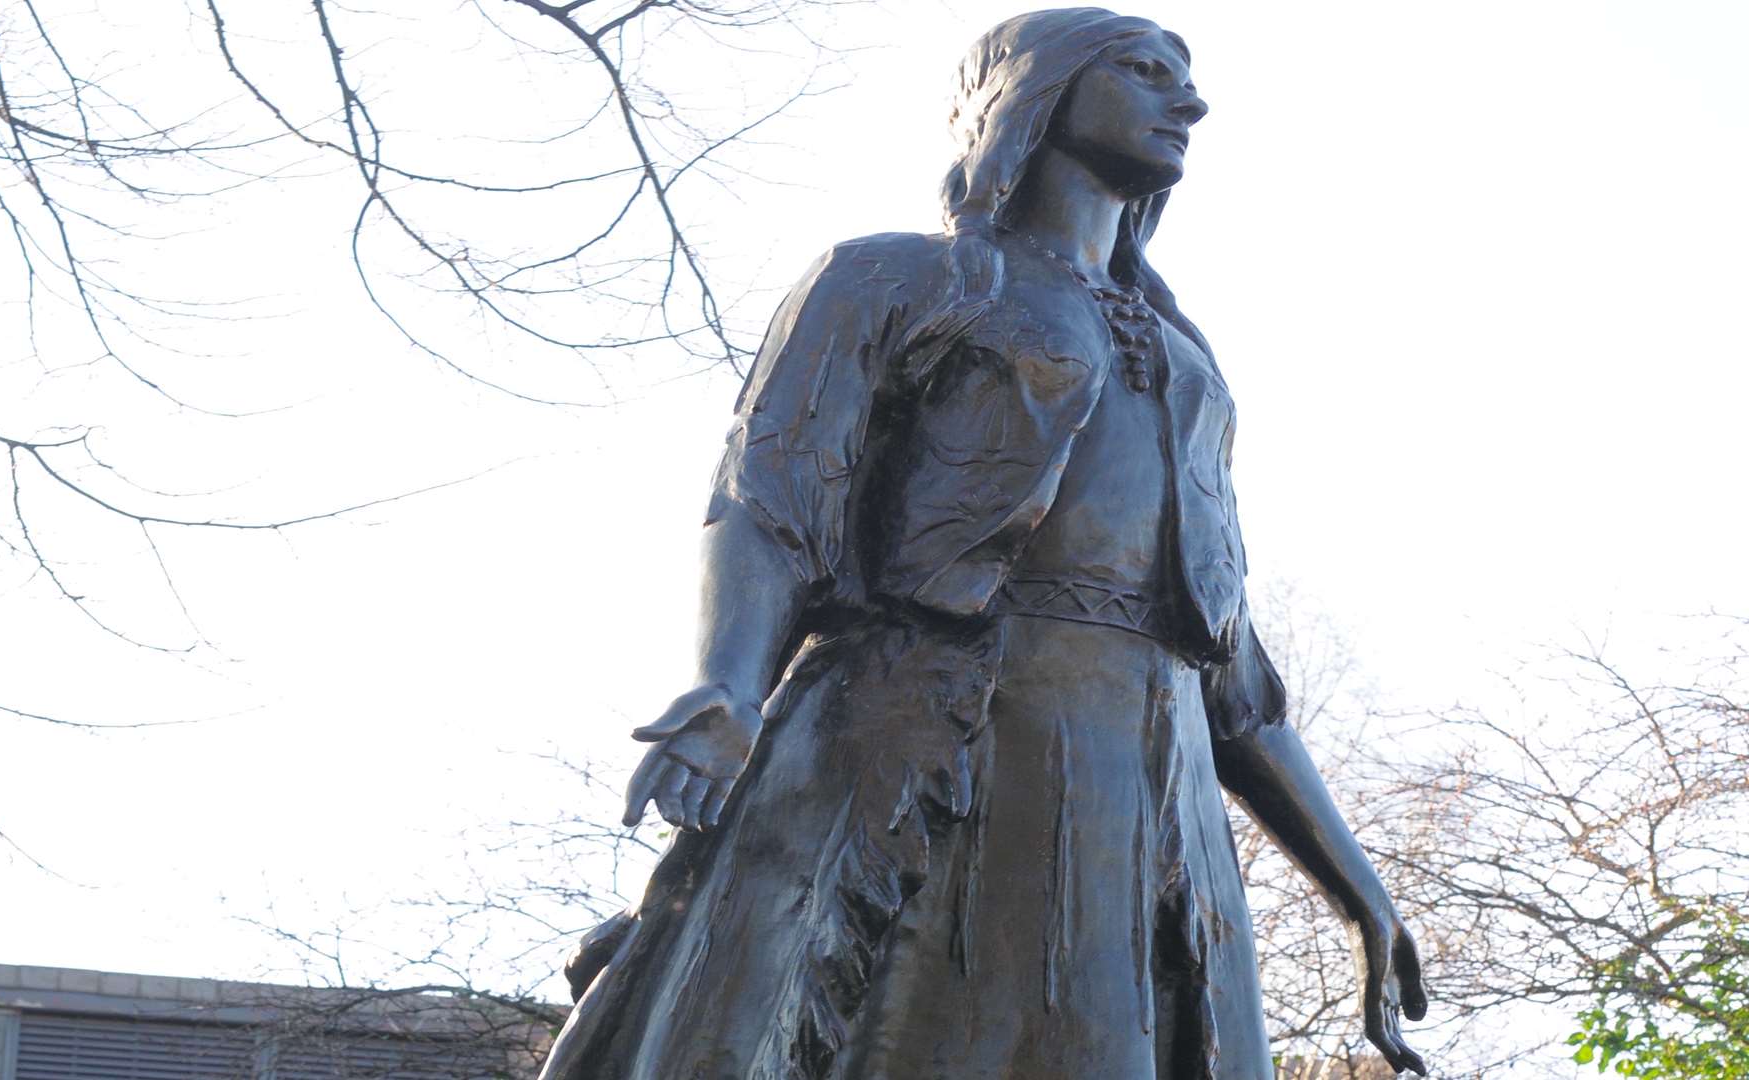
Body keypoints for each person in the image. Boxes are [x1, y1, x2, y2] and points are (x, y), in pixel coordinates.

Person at [538, 9, 1429, 1079]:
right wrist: (727, 685)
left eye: (1183, 80)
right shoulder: (894, 278)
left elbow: (1235, 677)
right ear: (1035, 89)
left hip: (1161, 787)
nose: (1187, 103)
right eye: (1144, 72)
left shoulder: (1191, 364)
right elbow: (770, 498)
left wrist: (1358, 891)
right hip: (943, 745)